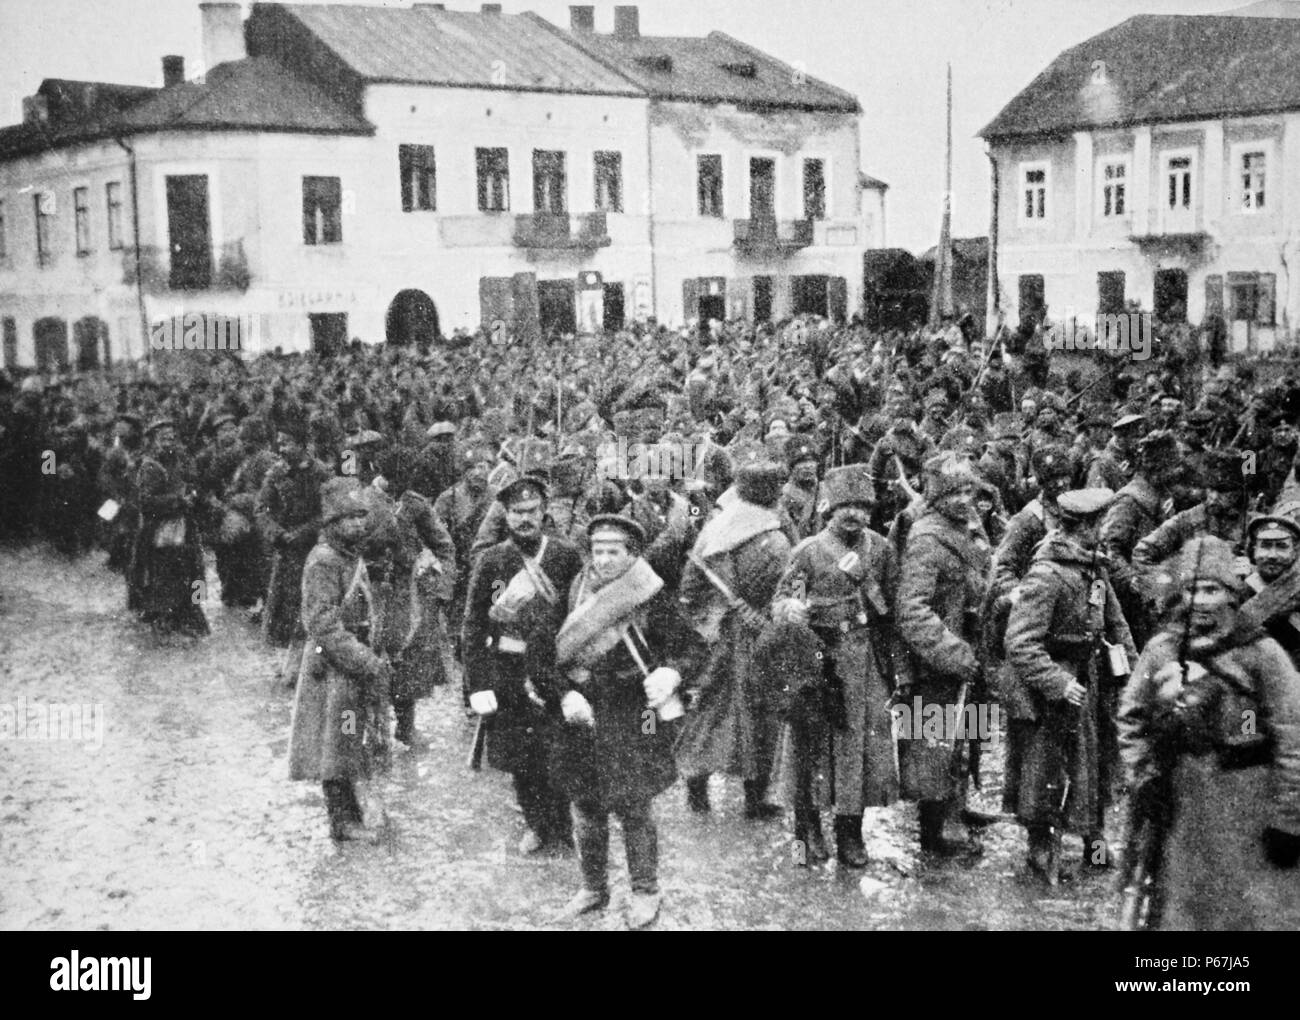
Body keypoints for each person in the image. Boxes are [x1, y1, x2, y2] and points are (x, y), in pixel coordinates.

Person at [1118, 536, 1300, 930]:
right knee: (1183, 912)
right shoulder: (1162, 648)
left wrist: (1288, 818)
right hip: (1181, 803)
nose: (1200, 600)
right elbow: (1131, 719)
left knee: (1252, 914)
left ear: (1231, 595)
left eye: (1212, 589)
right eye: (1192, 589)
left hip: (1249, 805)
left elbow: (1293, 735)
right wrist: (1143, 776)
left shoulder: (1261, 652)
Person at [549, 515, 697, 928]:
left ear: (632, 555)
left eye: (614, 551)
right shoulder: (573, 590)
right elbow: (545, 652)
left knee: (634, 803)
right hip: (583, 709)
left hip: (635, 711)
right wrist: (564, 693)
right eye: (598, 551)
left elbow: (691, 647)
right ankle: (593, 888)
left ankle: (646, 890)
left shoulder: (652, 594)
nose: (604, 559)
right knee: (585, 803)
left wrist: (672, 673)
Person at [769, 464, 899, 868]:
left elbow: (891, 608)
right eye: (846, 506)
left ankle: (850, 833)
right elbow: (783, 600)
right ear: (829, 508)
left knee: (857, 750)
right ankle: (805, 830)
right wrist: (790, 608)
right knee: (809, 747)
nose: (854, 515)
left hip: (863, 661)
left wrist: (895, 668)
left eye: (862, 507)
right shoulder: (809, 551)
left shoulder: (880, 549)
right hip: (818, 661)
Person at [1003, 488, 1136, 883]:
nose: (1105, 529)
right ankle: (1040, 847)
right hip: (1052, 689)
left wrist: (1135, 673)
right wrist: (1057, 682)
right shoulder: (1046, 574)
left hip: (1092, 680)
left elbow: (1117, 624)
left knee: (1094, 766)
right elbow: (1020, 642)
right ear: (1084, 527)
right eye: (1100, 523)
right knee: (1044, 771)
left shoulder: (1095, 568)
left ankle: (1094, 845)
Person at [462, 475, 584, 855]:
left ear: (544, 511)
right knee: (520, 755)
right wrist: (477, 684)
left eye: (532, 511)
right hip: (509, 668)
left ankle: (562, 826)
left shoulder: (564, 556)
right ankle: (535, 823)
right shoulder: (492, 560)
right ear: (506, 515)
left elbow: (583, 610)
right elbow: (473, 624)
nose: (524, 519)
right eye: (517, 513)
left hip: (553, 668)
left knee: (559, 751)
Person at [675, 447, 792, 818]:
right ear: (775, 493)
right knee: (760, 717)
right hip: (757, 637)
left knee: (708, 712)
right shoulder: (776, 539)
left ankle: (697, 791)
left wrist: (701, 623)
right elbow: (788, 593)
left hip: (715, 636)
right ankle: (754, 799)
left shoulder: (713, 528)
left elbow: (690, 586)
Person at [288, 477, 393, 842]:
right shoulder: (323, 561)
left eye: (361, 517)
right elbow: (321, 623)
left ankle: (353, 809)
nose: (359, 525)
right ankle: (342, 820)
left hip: (352, 665)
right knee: (338, 742)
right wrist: (364, 659)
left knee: (351, 739)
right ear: (332, 524)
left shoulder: (350, 555)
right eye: (349, 518)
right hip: (335, 669)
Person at [895, 454, 990, 856]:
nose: (965, 499)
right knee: (934, 745)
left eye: (970, 490)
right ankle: (934, 829)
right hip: (938, 663)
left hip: (970, 652)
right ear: (936, 495)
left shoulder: (967, 527)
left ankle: (958, 805)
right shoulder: (927, 539)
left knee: (966, 735)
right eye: (954, 492)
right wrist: (952, 652)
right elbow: (912, 610)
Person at [257, 421, 331, 649]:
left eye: (287, 444)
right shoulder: (275, 474)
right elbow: (261, 509)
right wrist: (277, 533)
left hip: (312, 547)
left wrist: (304, 531)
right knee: (282, 607)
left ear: (301, 445)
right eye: (279, 444)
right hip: (285, 550)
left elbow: (329, 511)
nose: (281, 449)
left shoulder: (320, 472)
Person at [133, 418, 209, 636]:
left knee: (196, 570)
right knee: (164, 577)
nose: (169, 442)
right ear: (154, 441)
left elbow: (194, 482)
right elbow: (145, 502)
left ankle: (195, 611)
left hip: (185, 528)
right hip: (161, 532)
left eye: (172, 437)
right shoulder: (150, 467)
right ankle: (164, 618)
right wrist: (177, 501)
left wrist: (193, 494)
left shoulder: (181, 460)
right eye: (163, 438)